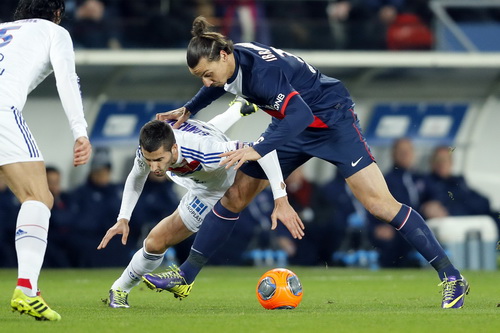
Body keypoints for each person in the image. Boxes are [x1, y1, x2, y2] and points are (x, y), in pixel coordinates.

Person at [145, 16, 469, 309]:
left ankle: (452, 277)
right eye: (199, 76)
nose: (206, 81)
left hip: (331, 121)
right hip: (293, 126)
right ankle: (186, 277)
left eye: (207, 73)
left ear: (224, 56)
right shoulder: (232, 57)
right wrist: (189, 109)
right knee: (234, 196)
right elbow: (221, 86)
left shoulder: (261, 74)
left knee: (380, 205)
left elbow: (302, 113)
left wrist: (258, 148)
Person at [97, 99, 295, 308]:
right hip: (204, 189)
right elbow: (136, 177)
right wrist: (123, 218)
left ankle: (245, 110)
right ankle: (119, 289)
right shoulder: (149, 149)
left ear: (174, 149)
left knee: (246, 169)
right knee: (155, 243)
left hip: (230, 177)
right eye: (149, 160)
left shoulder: (204, 151)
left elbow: (262, 149)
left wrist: (280, 197)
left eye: (159, 160)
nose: (154, 167)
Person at [0, 0, 92, 321]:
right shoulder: (54, 31)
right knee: (38, 197)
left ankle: (30, 289)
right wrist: (80, 132)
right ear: (56, 14)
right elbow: (67, 80)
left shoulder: (2, 30)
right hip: (2, 111)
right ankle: (26, 289)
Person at [421, 145, 491, 219]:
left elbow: (484, 202)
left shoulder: (459, 181)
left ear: (451, 163)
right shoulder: (426, 182)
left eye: (445, 160)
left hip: (467, 218)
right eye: (438, 160)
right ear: (432, 163)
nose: (442, 164)